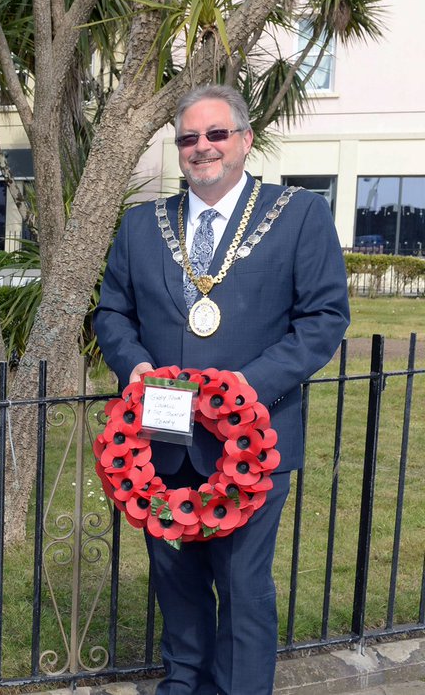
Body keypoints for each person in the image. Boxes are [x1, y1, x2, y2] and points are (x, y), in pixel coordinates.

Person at [94, 84, 349, 694]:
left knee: (242, 586)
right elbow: (112, 314)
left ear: (245, 141)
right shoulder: (140, 226)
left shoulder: (298, 215)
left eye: (215, 134)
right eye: (188, 138)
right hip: (162, 442)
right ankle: (184, 685)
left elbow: (323, 318)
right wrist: (132, 367)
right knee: (176, 583)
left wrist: (244, 388)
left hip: (251, 445)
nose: (201, 147)